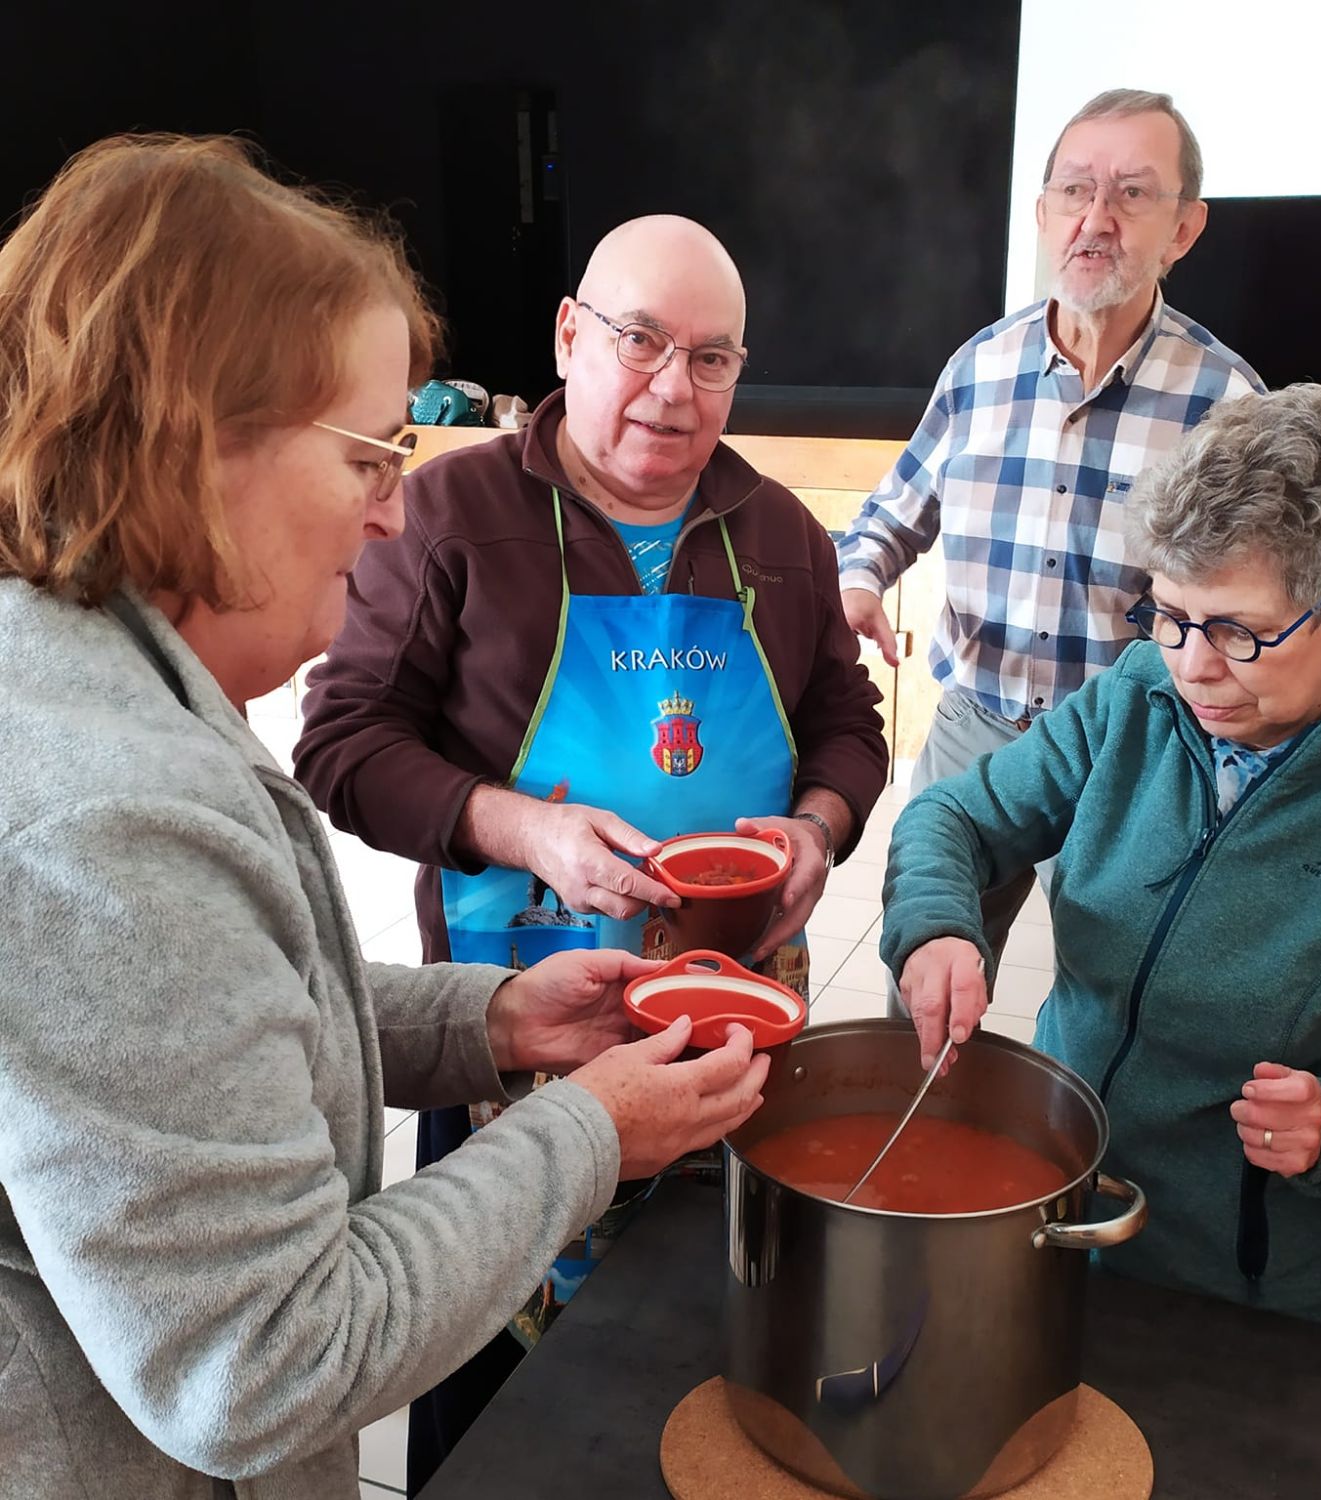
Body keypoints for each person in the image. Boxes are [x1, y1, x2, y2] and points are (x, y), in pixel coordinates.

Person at [0, 136, 768, 1499]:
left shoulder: (104, 691)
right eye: (368, 455)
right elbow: (265, 1361)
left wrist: (493, 1021)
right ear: (189, 444)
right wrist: (591, 1131)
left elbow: (225, 1024)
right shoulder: (108, 820)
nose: (390, 512)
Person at [293, 213, 888, 1488]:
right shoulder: (448, 515)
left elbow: (850, 723)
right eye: (641, 341)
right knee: (500, 1389)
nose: (674, 388)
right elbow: (342, 744)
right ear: (569, 336)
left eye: (713, 359)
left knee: (706, 1355)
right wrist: (523, 827)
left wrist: (821, 826)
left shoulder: (783, 534)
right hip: (516, 1020)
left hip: (737, 1018)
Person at [878, 383, 1321, 1333]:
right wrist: (935, 926)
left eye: (1239, 633)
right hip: (1060, 1212)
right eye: (1167, 613)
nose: (1192, 666)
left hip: (1262, 1314)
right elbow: (956, 817)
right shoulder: (1139, 696)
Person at [837, 88, 1264, 988]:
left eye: (1132, 193)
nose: (1095, 219)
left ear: (1183, 229)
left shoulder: (1227, 405)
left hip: (1133, 751)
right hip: (974, 729)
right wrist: (860, 581)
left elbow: (1254, 608)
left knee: (1120, 1002)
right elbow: (894, 510)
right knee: (926, 973)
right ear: (1042, 213)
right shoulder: (980, 368)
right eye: (1074, 189)